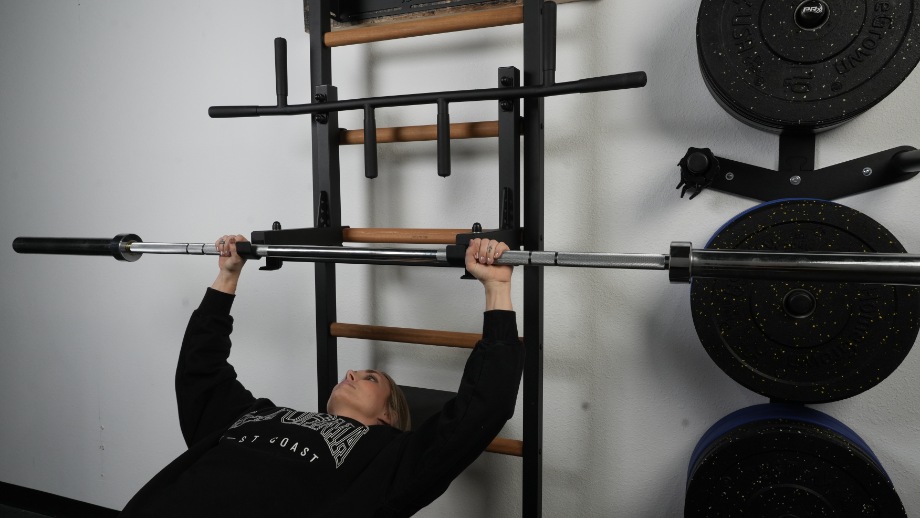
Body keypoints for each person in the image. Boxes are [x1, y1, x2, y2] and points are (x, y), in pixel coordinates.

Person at [119, 234, 524, 517]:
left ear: (388, 417)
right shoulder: (257, 413)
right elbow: (199, 370)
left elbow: (481, 409)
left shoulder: (387, 458)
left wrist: (496, 289)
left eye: (370, 378)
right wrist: (227, 276)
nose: (351, 371)